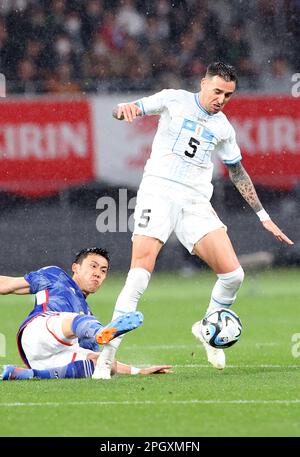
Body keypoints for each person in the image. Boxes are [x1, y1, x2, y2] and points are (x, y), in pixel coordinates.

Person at [93, 62, 294, 380]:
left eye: (228, 95)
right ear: (203, 83)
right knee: (139, 276)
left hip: (195, 203)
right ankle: (106, 358)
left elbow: (237, 171)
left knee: (233, 276)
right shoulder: (174, 99)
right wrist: (124, 111)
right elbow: (126, 109)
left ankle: (207, 327)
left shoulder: (224, 128)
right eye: (217, 91)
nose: (221, 99)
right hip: (158, 193)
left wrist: (263, 216)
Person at [0, 247, 171, 380]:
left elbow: (100, 358)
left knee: (101, 363)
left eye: (103, 271)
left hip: (47, 359)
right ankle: (101, 332)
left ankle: (28, 375)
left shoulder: (86, 312)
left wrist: (138, 371)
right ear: (76, 267)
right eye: (93, 266)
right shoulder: (55, 276)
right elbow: (8, 285)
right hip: (39, 331)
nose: (98, 273)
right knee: (81, 321)